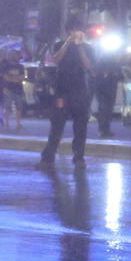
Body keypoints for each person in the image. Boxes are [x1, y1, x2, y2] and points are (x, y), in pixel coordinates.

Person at [38, 30, 94, 170]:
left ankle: (79, 157)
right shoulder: (60, 45)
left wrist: (80, 47)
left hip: (80, 91)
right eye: (74, 33)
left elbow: (88, 66)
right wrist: (68, 42)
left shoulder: (88, 48)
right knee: (57, 126)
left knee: (81, 127)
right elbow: (56, 59)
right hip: (63, 91)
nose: (76, 35)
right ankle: (48, 158)